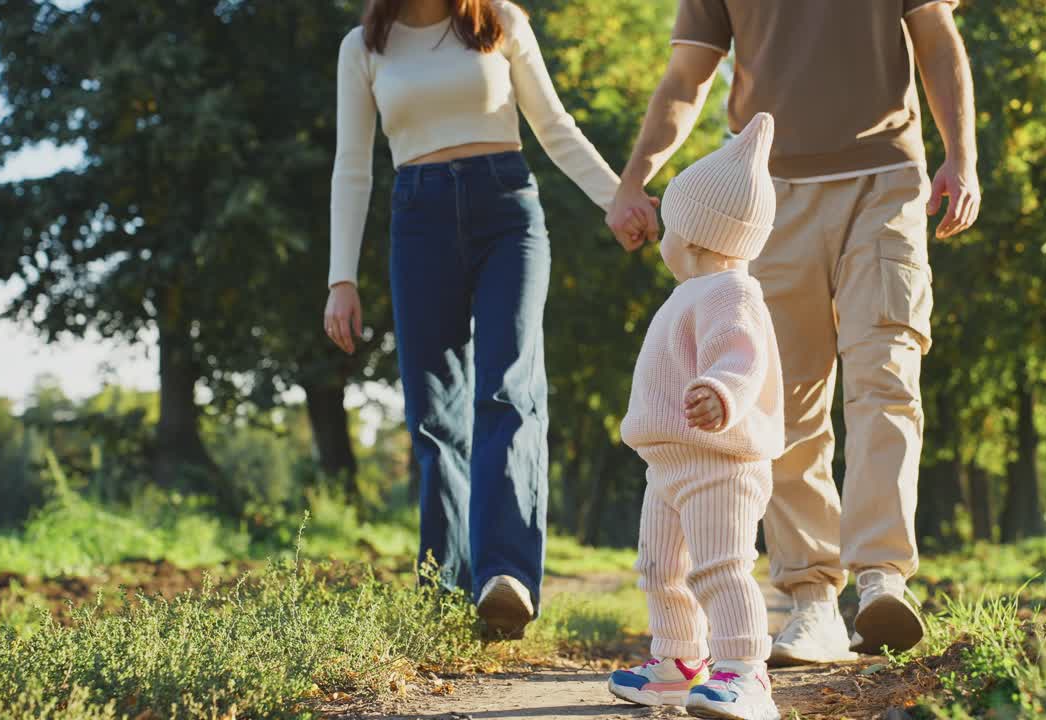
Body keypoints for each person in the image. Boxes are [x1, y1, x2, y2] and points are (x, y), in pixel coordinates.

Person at [608, 0, 980, 662]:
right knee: (787, 400)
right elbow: (687, 77)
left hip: (886, 180)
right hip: (770, 197)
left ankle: (881, 580)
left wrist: (962, 157)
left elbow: (937, 37)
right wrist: (635, 178)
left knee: (886, 372)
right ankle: (813, 599)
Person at [323, 0, 637, 639]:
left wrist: (617, 199)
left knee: (508, 390)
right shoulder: (364, 47)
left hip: (508, 212)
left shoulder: (500, 23)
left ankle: (505, 578)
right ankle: (443, 593)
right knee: (434, 414)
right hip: (418, 219)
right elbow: (353, 165)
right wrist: (341, 278)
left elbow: (554, 125)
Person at [608, 114, 785, 720]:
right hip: (669, 463)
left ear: (690, 235)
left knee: (720, 567)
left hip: (719, 462)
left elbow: (743, 356)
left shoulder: (730, 292)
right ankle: (681, 662)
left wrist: (719, 392)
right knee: (661, 569)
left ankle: (745, 672)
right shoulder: (688, 293)